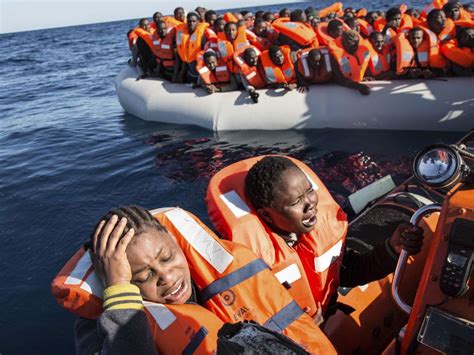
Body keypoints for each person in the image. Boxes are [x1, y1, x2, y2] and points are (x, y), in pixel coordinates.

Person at [54, 206, 337, 354]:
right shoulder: (101, 329)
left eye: (167, 257)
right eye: (142, 277)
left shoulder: (222, 266)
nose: (166, 276)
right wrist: (119, 292)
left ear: (177, 245)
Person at [209, 156, 424, 321]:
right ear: (266, 215)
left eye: (309, 192)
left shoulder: (312, 232)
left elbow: (349, 271)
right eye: (295, 202)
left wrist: (392, 249)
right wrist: (303, 329)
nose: (310, 204)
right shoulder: (244, 261)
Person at [329, 30, 372, 95]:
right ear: (343, 42)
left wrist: (363, 78)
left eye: (356, 44)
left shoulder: (362, 49)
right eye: (350, 44)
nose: (355, 47)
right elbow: (340, 80)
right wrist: (358, 86)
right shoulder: (334, 56)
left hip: (358, 82)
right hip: (342, 91)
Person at [175, 12, 210, 83]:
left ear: (198, 22)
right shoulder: (182, 34)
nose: (191, 23)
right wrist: (179, 75)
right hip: (189, 70)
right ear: (186, 22)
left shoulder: (202, 35)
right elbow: (182, 55)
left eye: (194, 21)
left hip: (201, 70)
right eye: (189, 21)